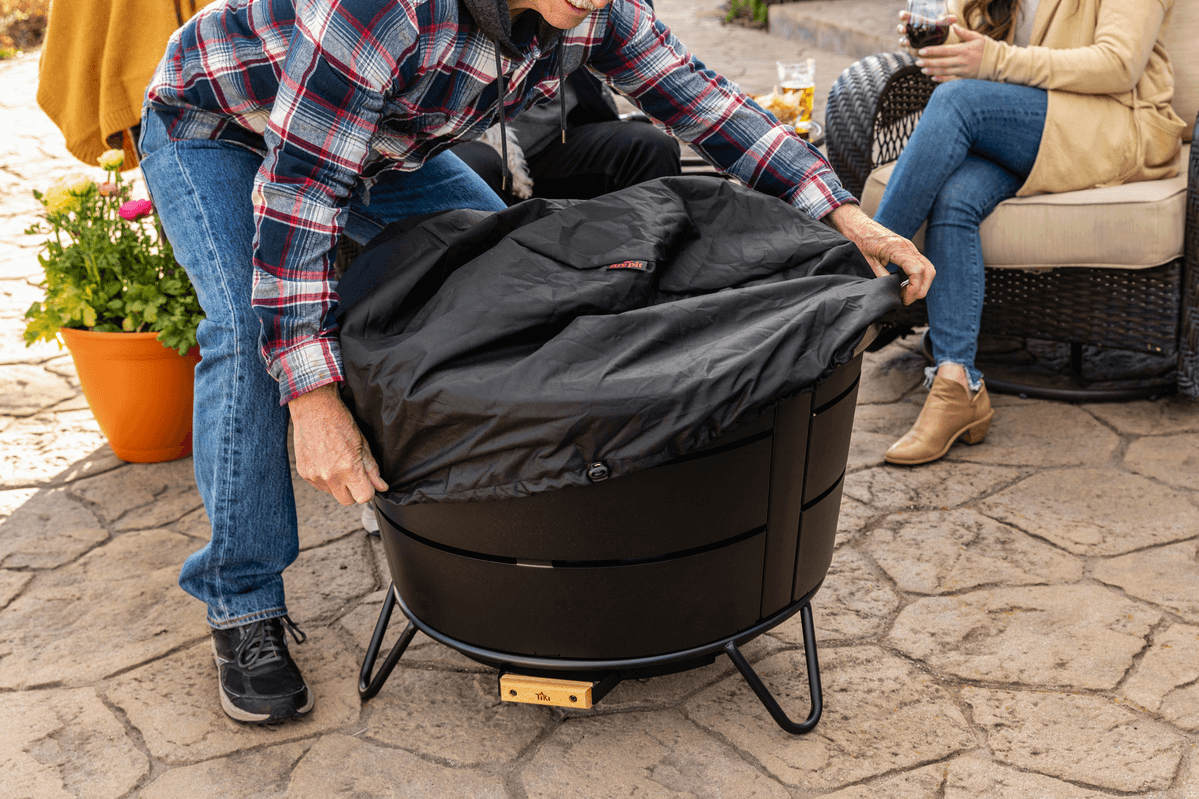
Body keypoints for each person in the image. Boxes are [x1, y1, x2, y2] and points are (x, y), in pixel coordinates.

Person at [138, 0, 934, 725]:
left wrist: (846, 217)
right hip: (222, 126)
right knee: (253, 335)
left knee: (514, 271)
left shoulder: (590, 6)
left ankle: (449, 498)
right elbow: (303, 199)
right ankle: (241, 603)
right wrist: (311, 399)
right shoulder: (381, 11)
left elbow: (705, 102)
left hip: (384, 150)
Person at [876, 0, 1185, 466]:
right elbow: (978, 47)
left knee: (957, 103)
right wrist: (946, 42)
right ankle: (956, 383)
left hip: (1113, 126)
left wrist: (992, 62)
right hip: (1031, 125)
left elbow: (1120, 65)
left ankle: (856, 279)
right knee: (954, 197)